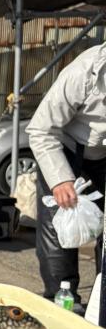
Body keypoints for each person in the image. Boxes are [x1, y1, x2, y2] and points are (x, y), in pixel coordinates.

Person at [27, 41, 106, 314]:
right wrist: (60, 179)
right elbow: (40, 130)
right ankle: (62, 302)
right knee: (59, 231)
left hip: (103, 154)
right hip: (64, 149)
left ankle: (101, 302)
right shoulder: (83, 72)